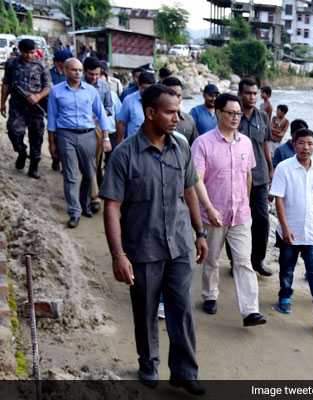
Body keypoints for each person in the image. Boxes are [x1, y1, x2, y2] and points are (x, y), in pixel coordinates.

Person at [100, 84, 208, 395]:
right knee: (146, 309)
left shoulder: (182, 147)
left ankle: (185, 371)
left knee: (182, 307)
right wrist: (118, 255)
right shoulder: (124, 155)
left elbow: (189, 191)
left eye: (179, 110)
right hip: (143, 248)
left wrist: (199, 233)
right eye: (170, 112)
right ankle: (148, 363)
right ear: (150, 113)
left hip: (179, 244)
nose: (178, 118)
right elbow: (112, 206)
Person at [191, 93, 266, 326]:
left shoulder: (245, 143)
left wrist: (246, 201)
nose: (235, 117)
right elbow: (197, 180)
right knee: (211, 259)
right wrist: (209, 208)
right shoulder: (203, 143)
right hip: (213, 214)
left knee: (244, 261)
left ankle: (250, 310)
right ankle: (210, 295)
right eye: (230, 113)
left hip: (241, 214)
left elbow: (248, 175)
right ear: (218, 113)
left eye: (238, 113)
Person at [270, 128, 313, 327]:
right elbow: (279, 200)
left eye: (309, 144)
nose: (305, 147)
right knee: (287, 267)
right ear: (294, 144)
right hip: (290, 230)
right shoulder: (284, 168)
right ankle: (284, 297)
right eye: (301, 143)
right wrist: (284, 227)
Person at [47, 58, 110, 228]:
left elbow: (101, 114)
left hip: (88, 136)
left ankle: (84, 204)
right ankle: (74, 212)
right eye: (74, 70)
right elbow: (52, 118)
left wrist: (105, 138)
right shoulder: (56, 91)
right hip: (65, 135)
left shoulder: (90, 91)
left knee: (90, 174)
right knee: (71, 175)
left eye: (80, 70)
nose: (78, 73)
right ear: (65, 70)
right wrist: (51, 142)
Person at [236, 78, 274, 277]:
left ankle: (257, 260)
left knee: (262, 220)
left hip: (259, 177)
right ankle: (237, 263)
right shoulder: (233, 116)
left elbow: (265, 144)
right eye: (248, 93)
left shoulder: (263, 117)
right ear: (240, 93)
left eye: (254, 93)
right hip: (237, 177)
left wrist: (270, 168)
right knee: (237, 221)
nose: (251, 97)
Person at [1, 39, 51, 179]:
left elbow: (48, 86)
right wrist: (2, 102)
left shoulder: (41, 64)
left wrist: (38, 96)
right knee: (13, 131)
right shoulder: (12, 64)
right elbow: (6, 84)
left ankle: (34, 166)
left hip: (36, 107)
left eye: (32, 52)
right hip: (17, 106)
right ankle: (22, 152)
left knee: (36, 137)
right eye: (27, 53)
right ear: (20, 51)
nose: (30, 55)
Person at [83, 56, 115, 212]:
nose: (94, 78)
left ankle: (93, 195)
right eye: (91, 74)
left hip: (97, 129)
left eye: (97, 74)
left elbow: (109, 108)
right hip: (77, 130)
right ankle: (91, 194)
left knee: (94, 162)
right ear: (84, 72)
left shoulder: (104, 86)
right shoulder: (77, 84)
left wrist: (97, 116)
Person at [116, 71, 155, 144]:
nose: (147, 91)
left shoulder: (159, 100)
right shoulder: (129, 100)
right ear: (139, 86)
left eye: (149, 88)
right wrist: (120, 143)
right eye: (144, 88)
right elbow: (121, 123)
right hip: (134, 145)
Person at [162, 77, 198, 146]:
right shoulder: (155, 121)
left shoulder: (189, 120)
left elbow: (194, 147)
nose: (176, 99)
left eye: (178, 95)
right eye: (171, 95)